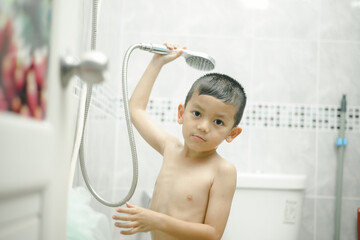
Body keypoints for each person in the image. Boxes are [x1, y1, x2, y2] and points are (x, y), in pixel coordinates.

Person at [112, 43, 247, 240]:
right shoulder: (170, 148)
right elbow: (135, 110)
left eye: (218, 121)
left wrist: (156, 220)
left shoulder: (222, 171)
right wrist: (156, 64)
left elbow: (213, 234)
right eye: (197, 113)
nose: (203, 126)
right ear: (182, 113)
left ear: (232, 133)